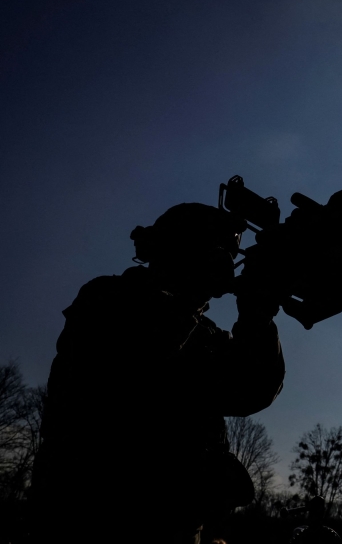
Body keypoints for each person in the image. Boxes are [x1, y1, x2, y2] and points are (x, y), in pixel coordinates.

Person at [30, 203, 286, 543]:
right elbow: (133, 366)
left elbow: (252, 388)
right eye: (213, 251)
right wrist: (191, 297)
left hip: (174, 524)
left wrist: (257, 317)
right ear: (178, 250)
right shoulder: (107, 298)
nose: (223, 263)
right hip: (89, 515)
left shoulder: (203, 333)